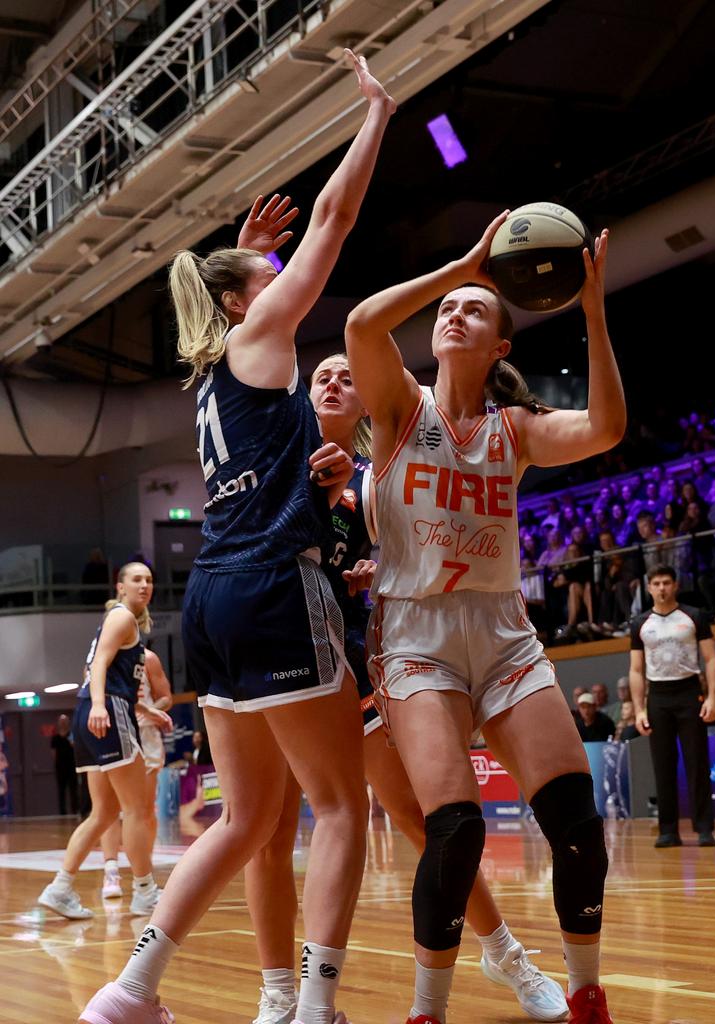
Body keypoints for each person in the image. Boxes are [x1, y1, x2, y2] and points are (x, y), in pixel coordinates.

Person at [78, 51, 395, 1024]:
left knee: (250, 816)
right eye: (268, 272)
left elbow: (242, 281)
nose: (285, 274)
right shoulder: (261, 340)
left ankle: (130, 990)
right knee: (338, 806)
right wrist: (375, 113)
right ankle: (314, 1010)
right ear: (242, 300)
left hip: (210, 597)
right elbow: (336, 221)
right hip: (271, 585)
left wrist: (234, 250)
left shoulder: (217, 378)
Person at [346, 214, 623, 1023]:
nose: (454, 312)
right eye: (447, 308)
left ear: (502, 345)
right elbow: (365, 322)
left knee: (577, 824)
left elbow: (605, 428)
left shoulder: (517, 430)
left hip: (503, 638)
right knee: (457, 828)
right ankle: (427, 1010)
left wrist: (594, 312)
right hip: (416, 641)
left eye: (474, 308)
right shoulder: (400, 409)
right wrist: (461, 266)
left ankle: (586, 993)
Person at [246, 353, 567, 1024]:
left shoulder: (374, 482)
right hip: (266, 657)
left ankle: (505, 953)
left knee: (425, 822)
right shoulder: (272, 456)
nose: (334, 382)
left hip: (346, 665)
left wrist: (371, 574)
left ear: (369, 403)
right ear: (303, 397)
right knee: (267, 835)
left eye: (347, 376)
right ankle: (279, 994)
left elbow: (414, 554)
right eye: (321, 377)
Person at [38, 564, 172, 921]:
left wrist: (145, 708)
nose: (144, 585)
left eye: (149, 580)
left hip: (94, 711)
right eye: (136, 580)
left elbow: (105, 671)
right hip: (106, 712)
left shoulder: (124, 625)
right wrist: (101, 705)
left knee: (104, 813)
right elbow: (96, 665)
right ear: (120, 586)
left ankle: (60, 888)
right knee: (139, 809)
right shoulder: (121, 616)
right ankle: (145, 891)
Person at [628, 565, 715, 849]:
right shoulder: (639, 623)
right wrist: (639, 709)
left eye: (666, 582)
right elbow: (635, 670)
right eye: (656, 583)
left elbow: (711, 659)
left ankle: (704, 828)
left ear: (675, 585)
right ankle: (668, 830)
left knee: (697, 762)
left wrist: (713, 697)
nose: (662, 588)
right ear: (649, 588)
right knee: (663, 765)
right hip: (658, 697)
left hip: (688, 692)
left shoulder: (694, 616)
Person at [100, 648, 173, 899]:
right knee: (110, 809)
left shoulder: (149, 658)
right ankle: (111, 872)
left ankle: (144, 875)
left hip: (145, 734)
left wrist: (149, 709)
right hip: (115, 732)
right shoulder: (101, 657)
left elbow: (166, 697)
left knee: (144, 811)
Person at [51, 713, 79, 816]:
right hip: (60, 768)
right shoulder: (55, 738)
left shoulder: (71, 735)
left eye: (65, 721)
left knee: (73, 789)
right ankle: (62, 812)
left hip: (72, 766)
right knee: (61, 790)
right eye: (61, 721)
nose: (63, 723)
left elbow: (76, 748)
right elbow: (53, 754)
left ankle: (75, 811)